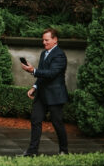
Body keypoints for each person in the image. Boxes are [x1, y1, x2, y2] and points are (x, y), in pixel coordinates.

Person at [20, 28, 69, 156]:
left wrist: (33, 71)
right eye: (43, 40)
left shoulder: (60, 55)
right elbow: (42, 74)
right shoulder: (43, 53)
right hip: (41, 94)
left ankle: (64, 151)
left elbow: (52, 73)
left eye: (46, 40)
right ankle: (32, 151)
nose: (44, 42)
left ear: (55, 39)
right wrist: (34, 87)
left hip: (55, 96)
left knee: (57, 123)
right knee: (35, 120)